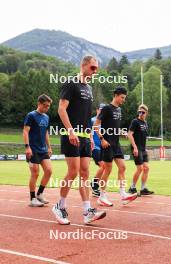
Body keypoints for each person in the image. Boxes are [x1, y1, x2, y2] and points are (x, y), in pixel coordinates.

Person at [52, 55, 106, 225]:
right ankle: (59, 206)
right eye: (92, 67)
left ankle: (87, 211)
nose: (95, 71)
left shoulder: (88, 87)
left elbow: (85, 115)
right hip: (72, 135)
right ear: (83, 66)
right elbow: (61, 109)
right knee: (73, 171)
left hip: (84, 136)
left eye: (96, 68)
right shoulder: (71, 82)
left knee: (84, 173)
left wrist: (90, 136)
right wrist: (70, 131)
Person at [93, 87, 137, 207]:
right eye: (122, 97)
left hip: (116, 144)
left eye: (124, 98)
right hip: (107, 144)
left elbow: (114, 127)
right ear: (116, 95)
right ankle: (102, 196)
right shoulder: (106, 109)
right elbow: (95, 125)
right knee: (108, 169)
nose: (123, 100)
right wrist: (102, 139)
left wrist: (122, 132)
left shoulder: (119, 110)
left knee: (122, 167)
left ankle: (123, 194)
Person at [23, 94, 53, 207]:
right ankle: (32, 199)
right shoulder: (31, 115)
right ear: (39, 103)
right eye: (45, 105)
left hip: (43, 149)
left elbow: (46, 132)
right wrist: (27, 147)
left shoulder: (46, 117)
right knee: (35, 173)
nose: (47, 108)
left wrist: (49, 147)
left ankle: (40, 194)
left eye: (48, 106)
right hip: (33, 149)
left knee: (49, 171)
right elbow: (25, 131)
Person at [128, 104, 154, 195]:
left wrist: (145, 148)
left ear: (146, 113)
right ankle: (132, 187)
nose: (141, 114)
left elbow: (144, 137)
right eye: (139, 112)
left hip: (143, 149)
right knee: (140, 168)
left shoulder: (145, 123)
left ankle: (143, 189)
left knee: (146, 168)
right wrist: (134, 147)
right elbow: (130, 134)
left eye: (143, 112)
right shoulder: (135, 121)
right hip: (136, 148)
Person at [90, 103, 106, 197]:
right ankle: (94, 185)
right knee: (103, 166)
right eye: (100, 110)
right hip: (94, 146)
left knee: (105, 167)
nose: (101, 112)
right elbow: (88, 132)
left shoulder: (104, 122)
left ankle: (95, 187)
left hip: (102, 147)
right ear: (97, 110)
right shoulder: (92, 120)